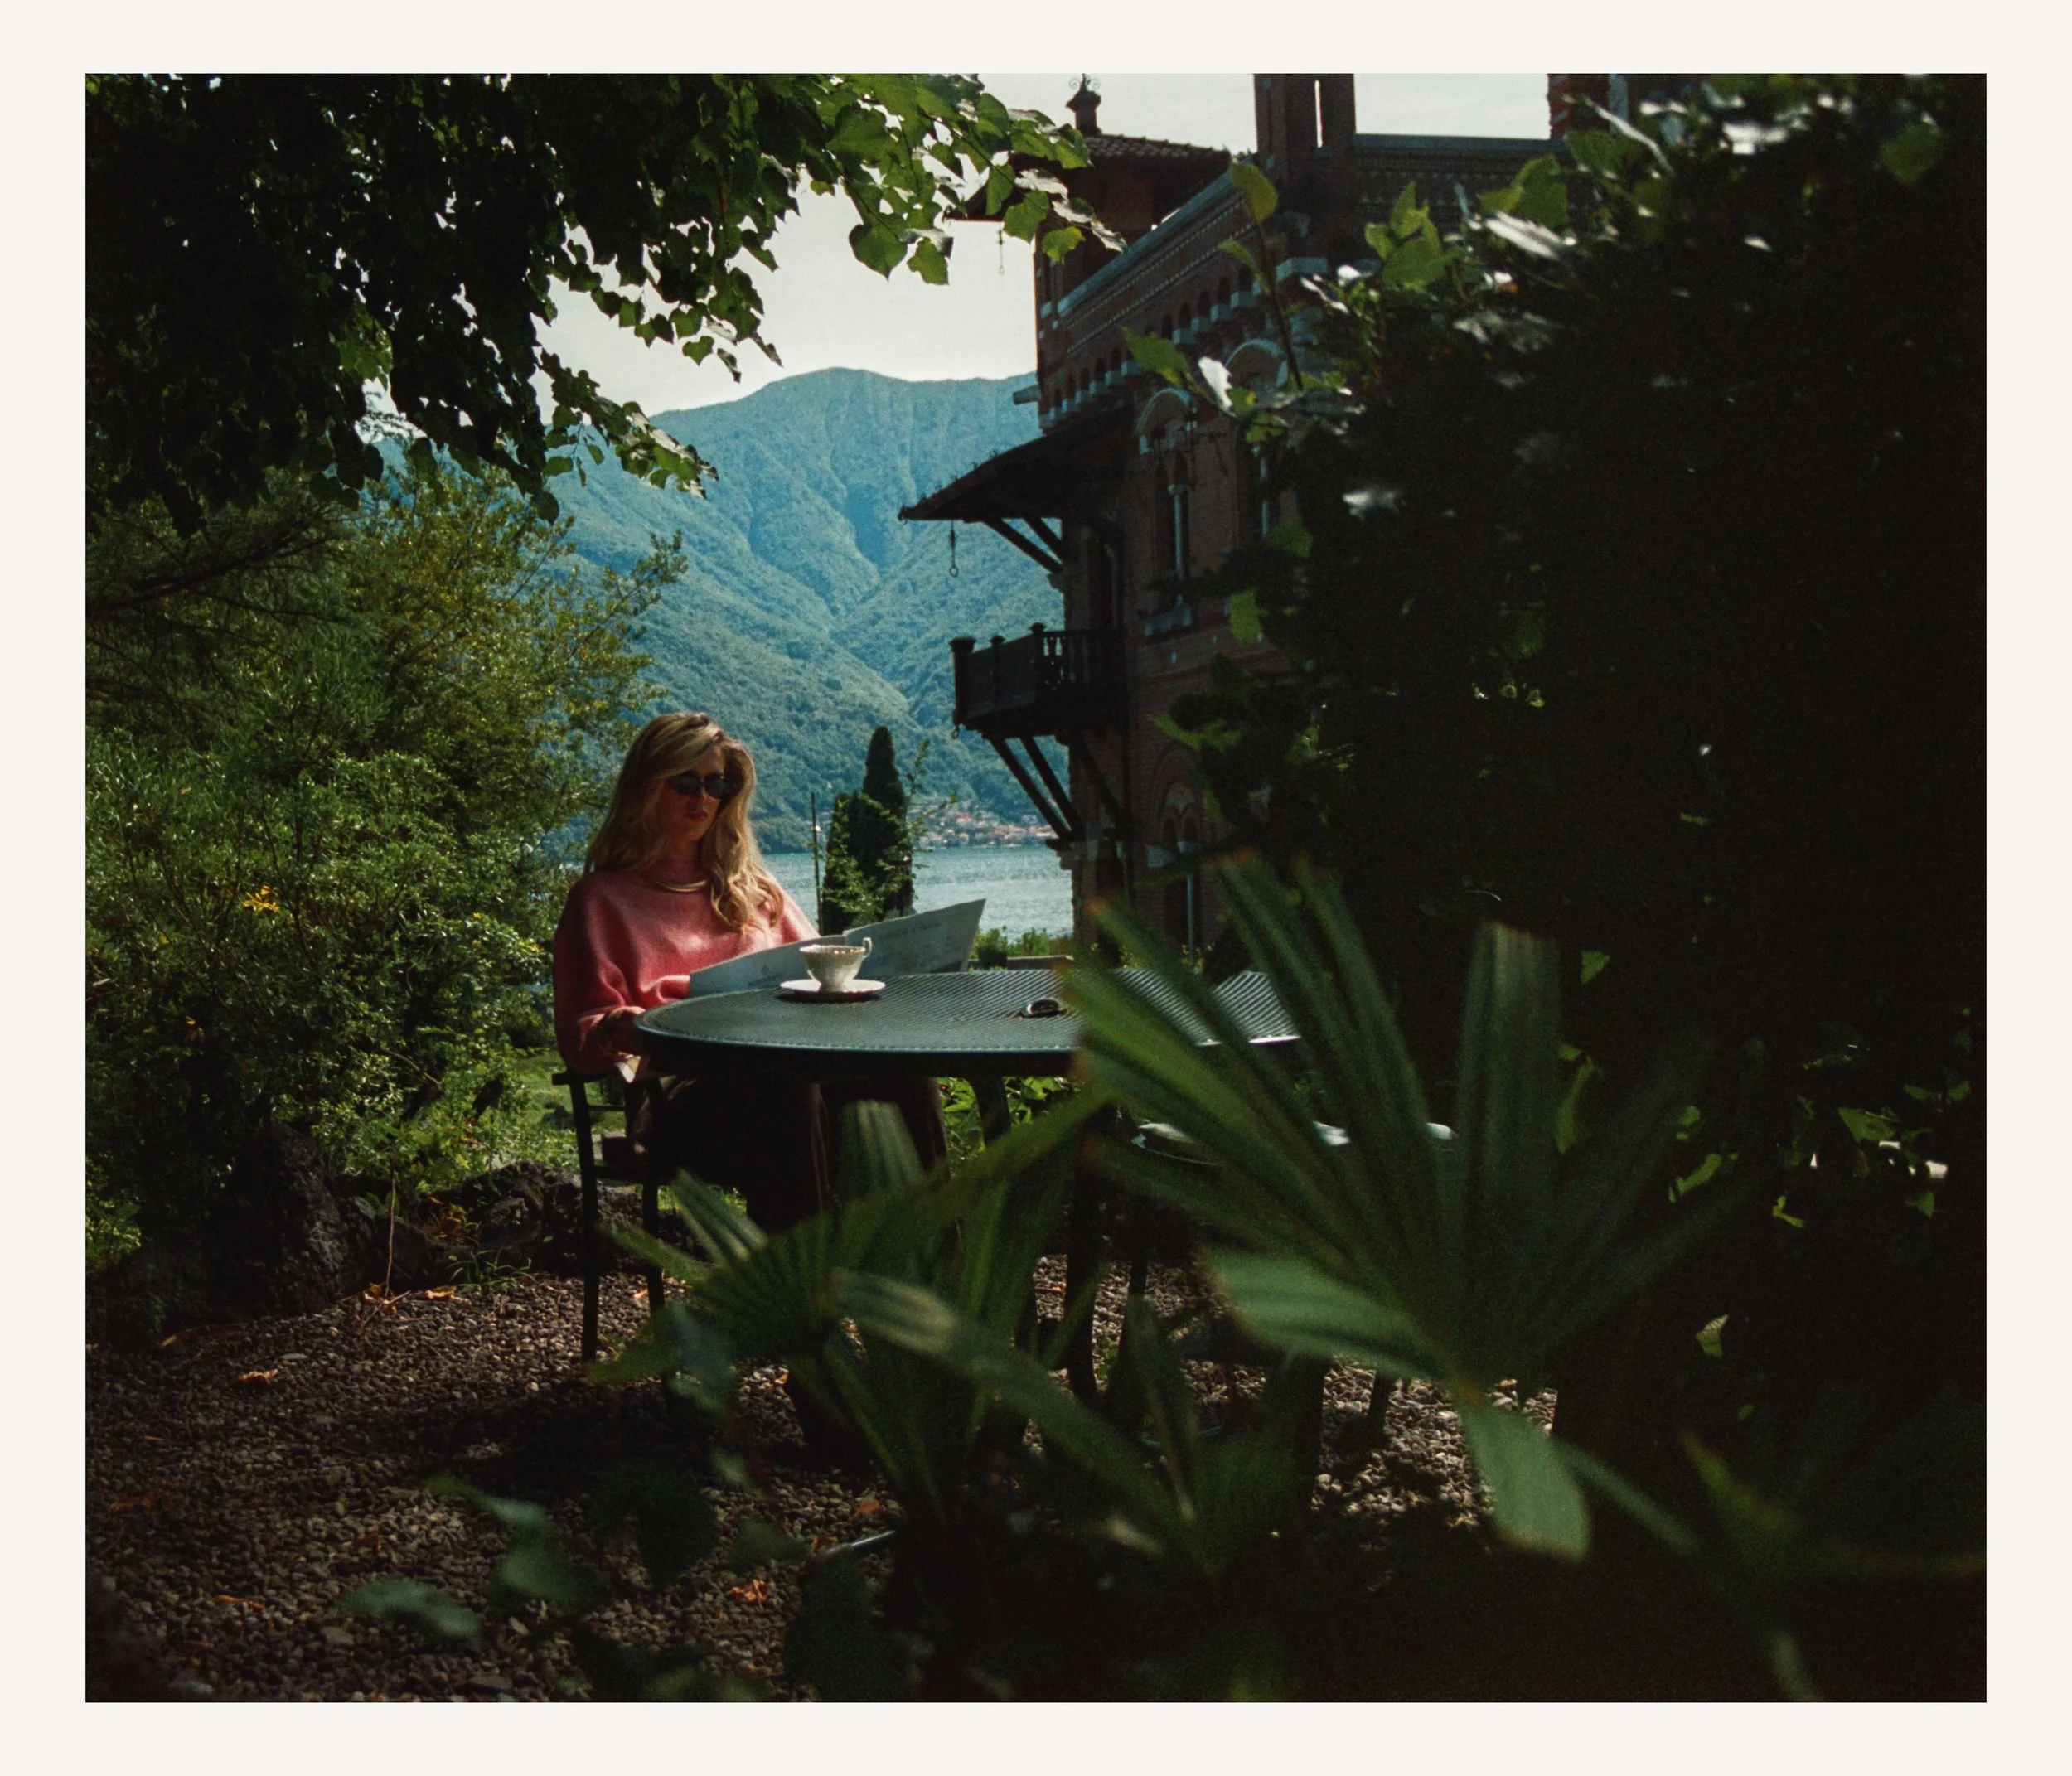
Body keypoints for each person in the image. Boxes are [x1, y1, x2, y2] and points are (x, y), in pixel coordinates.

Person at [553, 711, 945, 1234]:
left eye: (718, 784)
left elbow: (820, 971)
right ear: (647, 786)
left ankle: (940, 1281)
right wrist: (619, 1026)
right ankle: (798, 1301)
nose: (703, 800)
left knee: (904, 1077)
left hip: (792, 1077)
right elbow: (582, 1040)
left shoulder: (753, 891)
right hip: (680, 1097)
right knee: (782, 1087)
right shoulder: (602, 900)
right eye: (685, 783)